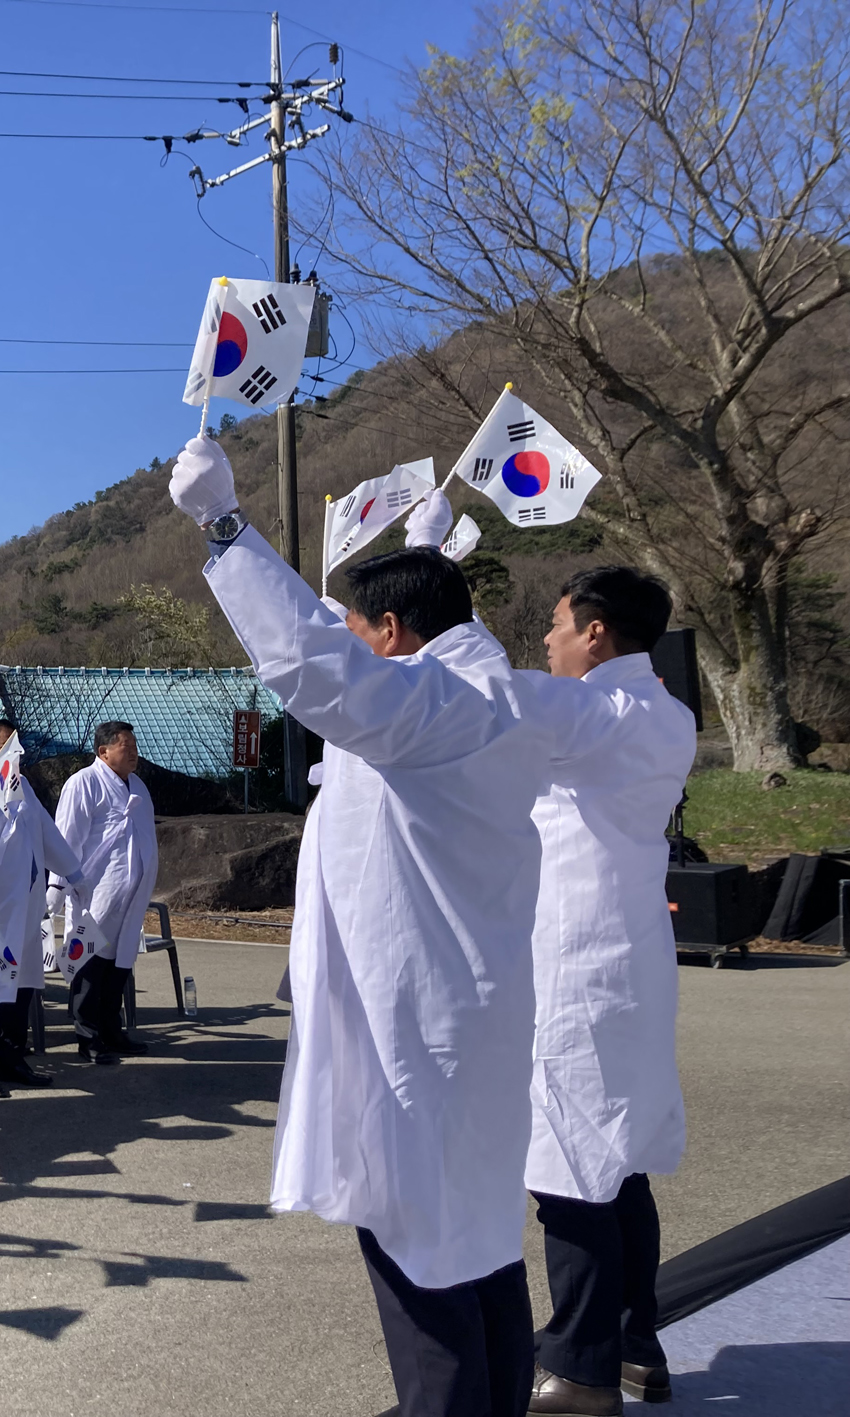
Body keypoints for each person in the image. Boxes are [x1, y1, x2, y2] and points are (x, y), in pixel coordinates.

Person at [172, 434, 563, 1417]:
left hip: (419, 1037)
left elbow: (318, 670)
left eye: (357, 624)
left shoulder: (437, 706)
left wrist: (225, 528)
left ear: (390, 632)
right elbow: (360, 703)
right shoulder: (484, 693)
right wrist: (434, 552)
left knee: (420, 1247)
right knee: (476, 1246)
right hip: (461, 1024)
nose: (345, 637)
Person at [516, 568, 696, 1415]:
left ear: (595, 632)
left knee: (571, 1163)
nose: (546, 641)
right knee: (619, 1162)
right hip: (632, 958)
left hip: (576, 962)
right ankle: (635, 1342)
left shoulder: (593, 712)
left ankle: (579, 1368)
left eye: (555, 624)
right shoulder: (669, 715)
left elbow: (473, 697)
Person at [0, 720, 83, 1091]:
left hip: (23, 906)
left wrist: (73, 871)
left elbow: (47, 832)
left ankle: (11, 1057)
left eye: (16, 747)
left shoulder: (21, 787)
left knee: (21, 986)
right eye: (5, 747)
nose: (14, 754)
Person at [53, 721, 159, 1060]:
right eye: (125, 747)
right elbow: (66, 840)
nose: (133, 754)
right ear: (104, 751)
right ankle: (88, 1038)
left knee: (120, 964)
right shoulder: (83, 784)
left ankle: (113, 1030)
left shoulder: (138, 786)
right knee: (89, 965)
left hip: (129, 897)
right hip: (94, 893)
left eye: (135, 747)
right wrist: (58, 887)